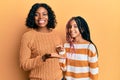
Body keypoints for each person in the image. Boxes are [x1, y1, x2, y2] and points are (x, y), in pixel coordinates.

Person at [19, 3, 63, 80]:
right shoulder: (27, 36)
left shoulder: (57, 35)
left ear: (49, 17)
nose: (41, 17)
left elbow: (62, 59)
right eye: (36, 14)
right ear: (33, 17)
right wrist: (43, 58)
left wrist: (62, 52)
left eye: (44, 14)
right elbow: (24, 65)